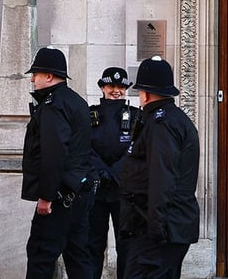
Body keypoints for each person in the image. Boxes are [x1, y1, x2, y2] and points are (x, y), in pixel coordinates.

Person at [120, 56, 199, 279]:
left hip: (160, 228)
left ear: (145, 94)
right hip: (167, 225)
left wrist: (156, 229)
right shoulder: (172, 119)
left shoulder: (161, 124)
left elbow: (161, 179)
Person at [21, 46, 94, 279]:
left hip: (60, 196)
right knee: (78, 256)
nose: (32, 79)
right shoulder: (77, 101)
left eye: (36, 74)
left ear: (49, 76)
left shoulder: (53, 105)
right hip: (79, 192)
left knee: (41, 255)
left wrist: (46, 196)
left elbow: (54, 154)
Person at [88, 67, 141, 279]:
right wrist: (102, 172)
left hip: (124, 191)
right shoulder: (90, 114)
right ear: (102, 87)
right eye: (111, 86)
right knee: (92, 244)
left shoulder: (137, 116)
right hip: (97, 189)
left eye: (121, 86)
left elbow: (137, 147)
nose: (116, 91)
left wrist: (116, 172)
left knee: (126, 247)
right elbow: (84, 147)